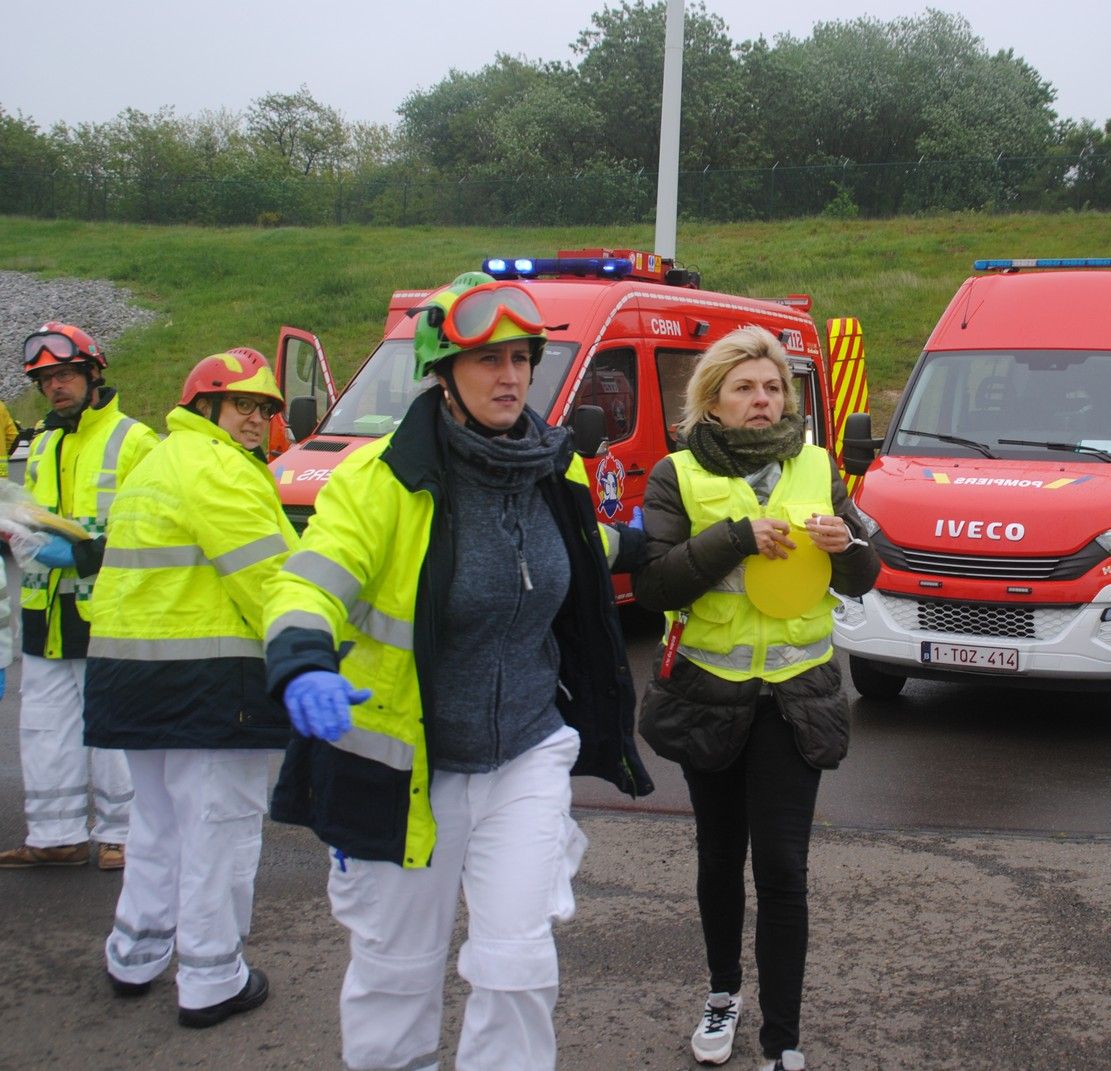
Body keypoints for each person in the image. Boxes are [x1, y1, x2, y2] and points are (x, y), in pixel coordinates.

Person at [263, 272, 652, 1071]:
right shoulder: (380, 480)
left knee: (518, 966)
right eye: (487, 361)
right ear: (443, 372)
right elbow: (309, 579)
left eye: (522, 358)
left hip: (526, 751)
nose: (511, 376)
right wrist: (303, 661)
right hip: (406, 764)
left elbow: (577, 556)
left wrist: (659, 547)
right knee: (397, 971)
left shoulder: (557, 466)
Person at [633, 326, 880, 1071]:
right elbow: (655, 585)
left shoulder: (819, 465)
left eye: (773, 387)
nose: (762, 399)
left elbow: (867, 573)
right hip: (712, 697)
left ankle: (783, 1041)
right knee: (718, 858)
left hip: (796, 700)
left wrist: (849, 548)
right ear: (713, 399)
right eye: (745, 387)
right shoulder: (676, 474)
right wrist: (737, 536)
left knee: (782, 868)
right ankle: (721, 992)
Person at [85, 350, 296, 1025]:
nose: (256, 421)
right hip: (208, 682)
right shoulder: (221, 469)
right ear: (206, 406)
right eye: (242, 406)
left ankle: (135, 953)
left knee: (156, 821)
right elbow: (269, 578)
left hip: (128, 677)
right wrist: (318, 651)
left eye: (265, 409)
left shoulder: (155, 461)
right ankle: (211, 978)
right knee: (220, 830)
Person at [0, 323, 157, 871]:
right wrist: (16, 530)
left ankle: (122, 835)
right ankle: (54, 835)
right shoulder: (41, 441)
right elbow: (35, 511)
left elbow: (152, 528)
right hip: (47, 610)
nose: (54, 387)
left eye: (64, 374)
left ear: (94, 374)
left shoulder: (134, 440)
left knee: (111, 724)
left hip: (107, 606)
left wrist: (85, 554)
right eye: (45, 379)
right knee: (44, 726)